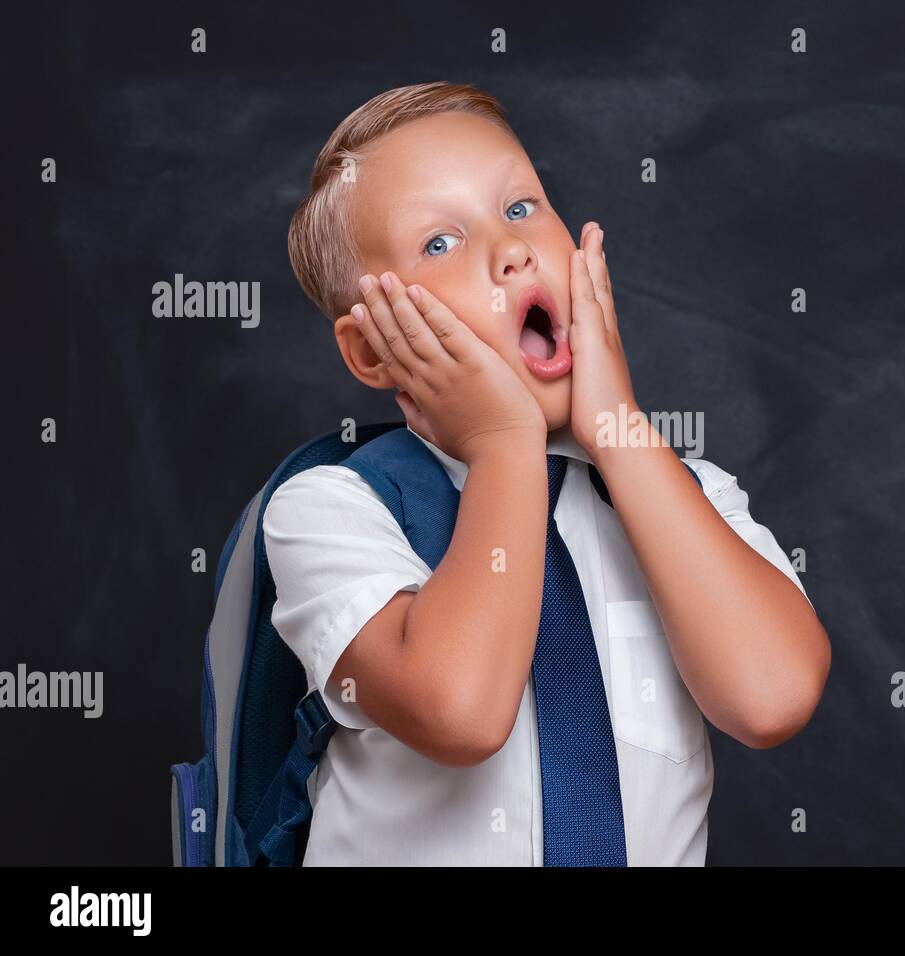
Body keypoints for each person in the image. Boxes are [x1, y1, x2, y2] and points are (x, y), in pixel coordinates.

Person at [264, 81, 831, 865]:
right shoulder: (331, 509)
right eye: (439, 242)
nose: (512, 248)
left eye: (523, 206)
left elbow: (773, 698)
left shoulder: (687, 496)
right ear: (370, 349)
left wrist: (616, 427)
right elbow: (461, 711)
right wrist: (504, 444)